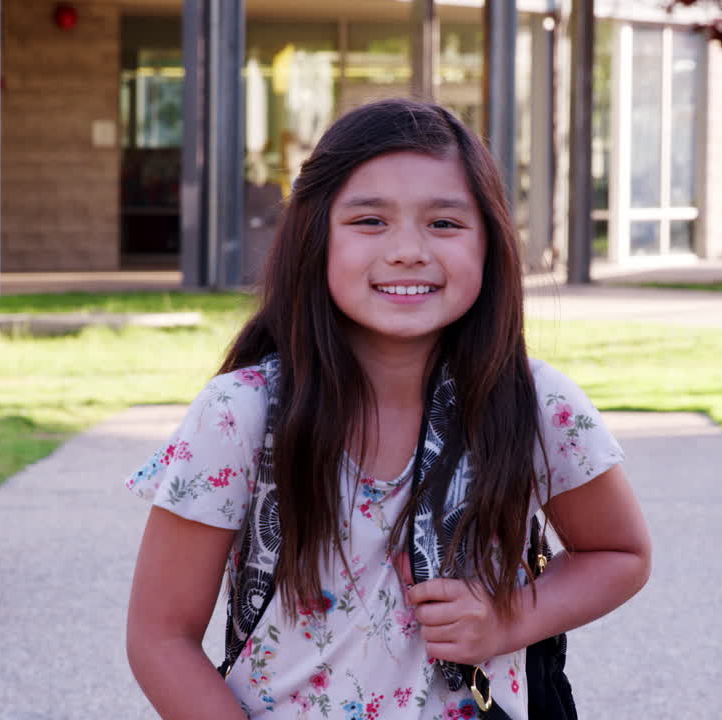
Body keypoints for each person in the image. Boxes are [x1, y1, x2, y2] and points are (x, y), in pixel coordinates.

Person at [124, 99, 651, 720]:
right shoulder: (241, 413)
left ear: (490, 242)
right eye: (370, 220)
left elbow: (620, 553)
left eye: (444, 223)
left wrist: (505, 622)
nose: (407, 250)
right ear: (315, 236)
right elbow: (161, 637)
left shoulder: (535, 404)